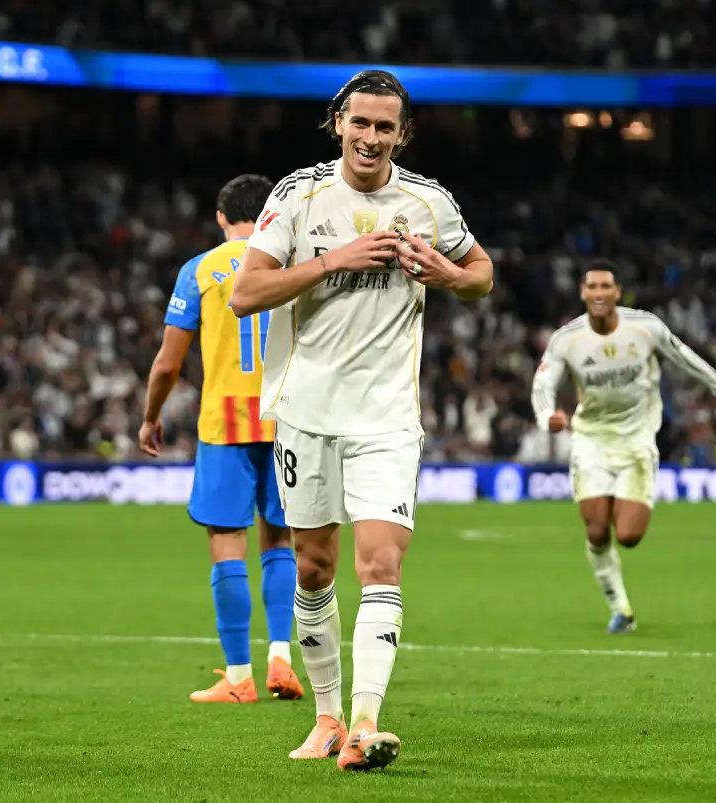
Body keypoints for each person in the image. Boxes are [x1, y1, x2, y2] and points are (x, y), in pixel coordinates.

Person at [229, 69, 493, 771]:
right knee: (313, 568)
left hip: (386, 416)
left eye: (385, 126)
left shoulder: (427, 201)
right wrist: (332, 260)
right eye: (360, 123)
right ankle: (326, 716)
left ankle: (365, 725)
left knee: (382, 562)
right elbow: (245, 293)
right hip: (308, 413)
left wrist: (447, 273)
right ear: (337, 122)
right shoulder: (298, 194)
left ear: (401, 133)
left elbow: (482, 274)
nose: (371, 137)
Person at [139, 174, 304, 705]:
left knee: (226, 544)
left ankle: (239, 678)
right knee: (280, 540)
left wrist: (151, 417)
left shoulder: (201, 270)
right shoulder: (293, 261)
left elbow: (168, 363)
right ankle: (282, 658)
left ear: (220, 218)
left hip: (225, 423)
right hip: (287, 420)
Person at [531, 260, 716, 633]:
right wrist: (545, 416)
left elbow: (685, 358)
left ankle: (620, 500)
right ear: (583, 293)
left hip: (637, 439)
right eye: (592, 287)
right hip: (591, 440)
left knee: (629, 536)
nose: (599, 294)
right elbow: (543, 384)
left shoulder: (645, 328)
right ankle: (621, 609)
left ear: (617, 292)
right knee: (598, 532)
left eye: (606, 287)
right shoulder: (566, 339)